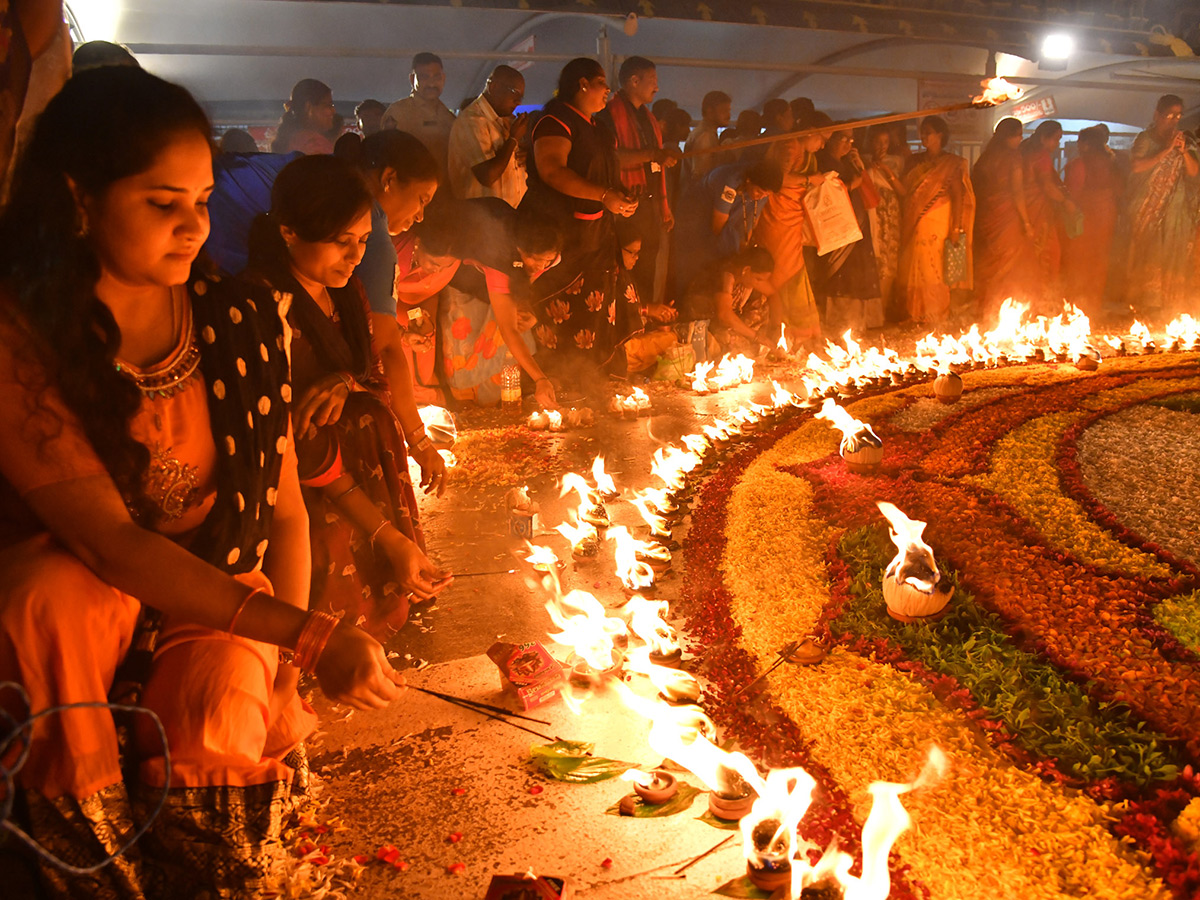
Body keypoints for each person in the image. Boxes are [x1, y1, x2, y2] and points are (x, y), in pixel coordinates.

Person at [0, 66, 403, 898]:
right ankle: (85, 864)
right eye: (161, 203)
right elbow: (109, 542)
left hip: (222, 589)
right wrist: (310, 635)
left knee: (222, 703)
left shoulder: (241, 320)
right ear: (79, 200)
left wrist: (288, 657)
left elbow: (284, 512)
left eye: (203, 201)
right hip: (92, 598)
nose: (193, 227)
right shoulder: (24, 334)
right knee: (41, 597)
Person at [246, 155, 449, 640]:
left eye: (362, 242)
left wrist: (348, 383)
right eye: (341, 242)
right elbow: (294, 432)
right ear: (290, 231)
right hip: (306, 481)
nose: (355, 256)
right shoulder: (258, 305)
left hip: (365, 460)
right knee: (323, 603)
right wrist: (387, 535)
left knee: (380, 587)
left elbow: (371, 375)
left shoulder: (347, 291)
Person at [520, 57, 635, 394]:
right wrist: (603, 195)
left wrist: (621, 199)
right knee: (562, 317)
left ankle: (597, 382)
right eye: (602, 83)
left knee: (600, 313)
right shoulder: (555, 120)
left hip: (598, 236)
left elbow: (607, 170)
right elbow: (552, 170)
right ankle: (560, 388)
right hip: (562, 236)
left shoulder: (598, 127)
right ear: (582, 84)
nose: (608, 91)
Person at [346, 129, 448, 488]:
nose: (420, 216)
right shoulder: (371, 235)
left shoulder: (336, 197)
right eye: (421, 199)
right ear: (389, 179)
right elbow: (386, 347)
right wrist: (418, 440)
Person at [433, 199, 564, 403]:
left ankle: (499, 396)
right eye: (535, 259)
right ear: (521, 250)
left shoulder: (544, 255)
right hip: (461, 276)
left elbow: (521, 283)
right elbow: (508, 329)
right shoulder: (498, 255)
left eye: (547, 261)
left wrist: (524, 308)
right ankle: (463, 398)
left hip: (496, 276)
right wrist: (540, 379)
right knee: (468, 338)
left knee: (511, 328)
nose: (540, 266)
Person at [596, 56, 680, 304]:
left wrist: (664, 206)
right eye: (653, 81)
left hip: (650, 206)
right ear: (634, 81)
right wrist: (654, 154)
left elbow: (653, 163)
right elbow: (610, 158)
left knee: (646, 267)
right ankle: (624, 323)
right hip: (623, 209)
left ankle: (643, 319)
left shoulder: (648, 117)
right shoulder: (608, 115)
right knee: (622, 268)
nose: (657, 87)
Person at [751, 110, 831, 349]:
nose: (822, 146)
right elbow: (777, 179)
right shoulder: (790, 145)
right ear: (810, 132)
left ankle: (797, 334)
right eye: (822, 140)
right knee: (783, 269)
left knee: (794, 268)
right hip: (777, 219)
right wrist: (808, 181)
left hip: (791, 218)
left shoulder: (802, 151)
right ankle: (781, 332)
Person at [1123, 94, 1199, 318]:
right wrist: (1165, 150)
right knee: (1151, 254)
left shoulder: (1185, 140)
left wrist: (1183, 151)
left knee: (1174, 253)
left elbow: (1194, 173)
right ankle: (1146, 306)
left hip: (1177, 209)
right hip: (1149, 207)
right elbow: (1136, 166)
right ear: (1157, 115)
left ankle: (1171, 305)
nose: (1174, 120)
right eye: (1169, 115)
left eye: (1178, 116)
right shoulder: (1146, 138)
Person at [896, 115, 975, 325]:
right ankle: (916, 313)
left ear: (940, 135)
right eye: (922, 132)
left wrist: (956, 227)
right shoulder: (915, 161)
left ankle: (936, 313)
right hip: (915, 222)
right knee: (916, 266)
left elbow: (958, 195)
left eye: (928, 132)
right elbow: (905, 192)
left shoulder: (951, 163)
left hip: (939, 222)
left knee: (935, 268)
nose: (924, 136)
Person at [671, 158, 783, 295]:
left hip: (723, 225)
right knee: (694, 268)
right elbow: (718, 225)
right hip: (696, 220)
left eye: (766, 195)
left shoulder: (762, 190)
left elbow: (750, 223)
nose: (762, 197)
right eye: (760, 192)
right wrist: (732, 261)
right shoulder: (730, 182)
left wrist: (745, 252)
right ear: (749, 180)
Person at [817, 128, 883, 332]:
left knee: (857, 270)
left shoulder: (849, 162)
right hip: (835, 227)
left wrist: (858, 167)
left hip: (856, 224)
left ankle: (855, 325)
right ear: (831, 139)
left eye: (851, 139)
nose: (848, 144)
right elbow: (822, 192)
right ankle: (837, 324)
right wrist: (849, 185)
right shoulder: (822, 162)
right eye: (843, 139)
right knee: (838, 272)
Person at [971, 117, 1030, 319]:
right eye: (1018, 135)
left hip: (986, 214)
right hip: (1006, 216)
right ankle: (998, 308)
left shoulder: (986, 157)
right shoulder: (1013, 157)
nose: (1021, 139)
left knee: (989, 260)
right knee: (1006, 261)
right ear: (1009, 136)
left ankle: (985, 306)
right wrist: (1027, 222)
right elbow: (1018, 191)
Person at [447, 64, 529, 207]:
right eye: (514, 92)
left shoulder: (505, 121)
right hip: (482, 220)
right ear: (494, 87)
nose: (518, 102)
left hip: (509, 218)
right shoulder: (471, 121)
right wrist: (513, 139)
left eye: (521, 96)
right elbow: (487, 176)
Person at [1063, 125, 1122, 318]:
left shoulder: (1079, 164)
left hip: (1086, 216)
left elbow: (1073, 192)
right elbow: (1118, 189)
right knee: (1099, 260)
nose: (1079, 146)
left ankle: (1076, 306)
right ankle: (1092, 305)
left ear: (1086, 144)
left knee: (1080, 260)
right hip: (1107, 215)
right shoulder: (1111, 162)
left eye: (1080, 142)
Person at [682, 245, 777, 357]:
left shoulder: (745, 276)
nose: (758, 284)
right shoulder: (726, 276)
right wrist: (756, 337)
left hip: (722, 323)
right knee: (734, 341)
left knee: (762, 304)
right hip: (702, 324)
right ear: (746, 270)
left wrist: (777, 327)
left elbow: (773, 294)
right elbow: (724, 315)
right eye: (758, 279)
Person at [1018, 120, 1073, 313]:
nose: (1057, 144)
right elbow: (1048, 187)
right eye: (1056, 139)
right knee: (1049, 254)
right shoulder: (1041, 156)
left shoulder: (1024, 151)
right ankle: (1042, 302)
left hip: (1025, 209)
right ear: (1044, 138)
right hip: (1038, 213)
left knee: (1031, 255)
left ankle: (1028, 302)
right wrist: (1067, 203)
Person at [381, 52, 457, 182]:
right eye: (424, 77)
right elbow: (388, 157)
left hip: (445, 191)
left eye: (436, 76)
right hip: (410, 190)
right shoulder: (398, 113)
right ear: (412, 79)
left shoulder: (448, 117)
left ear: (443, 78)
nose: (431, 83)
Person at [863, 124, 906, 320]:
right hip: (871, 213)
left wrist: (886, 170)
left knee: (888, 263)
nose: (882, 146)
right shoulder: (861, 161)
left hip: (890, 213)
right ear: (870, 142)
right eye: (878, 142)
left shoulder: (896, 161)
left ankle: (882, 311)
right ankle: (868, 315)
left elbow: (902, 191)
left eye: (886, 142)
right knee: (872, 261)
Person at [271, 78, 336, 155]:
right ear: (308, 107)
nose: (333, 110)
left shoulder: (293, 140)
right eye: (327, 105)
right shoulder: (315, 145)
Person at [682, 90, 732, 184]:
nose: (729, 116)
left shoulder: (708, 133)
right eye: (724, 111)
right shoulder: (705, 135)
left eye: (729, 111)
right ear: (710, 111)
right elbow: (701, 175)